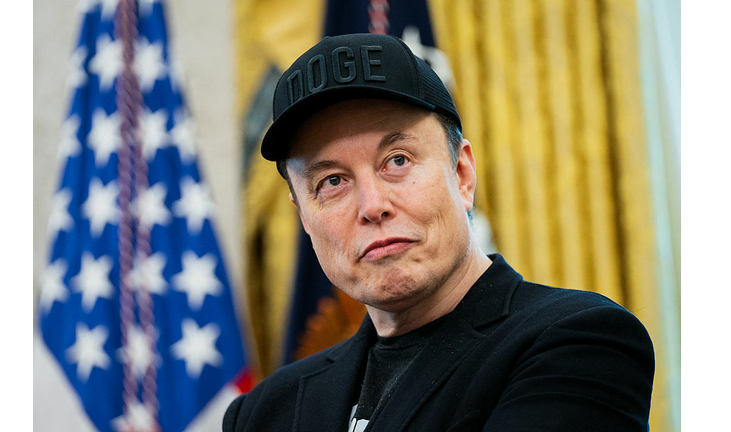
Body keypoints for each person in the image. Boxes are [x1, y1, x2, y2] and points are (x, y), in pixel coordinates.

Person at [224, 33, 654, 432]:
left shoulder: (580, 344)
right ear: (304, 215)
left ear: (462, 174)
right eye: (332, 181)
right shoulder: (261, 413)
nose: (372, 206)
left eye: (397, 160)